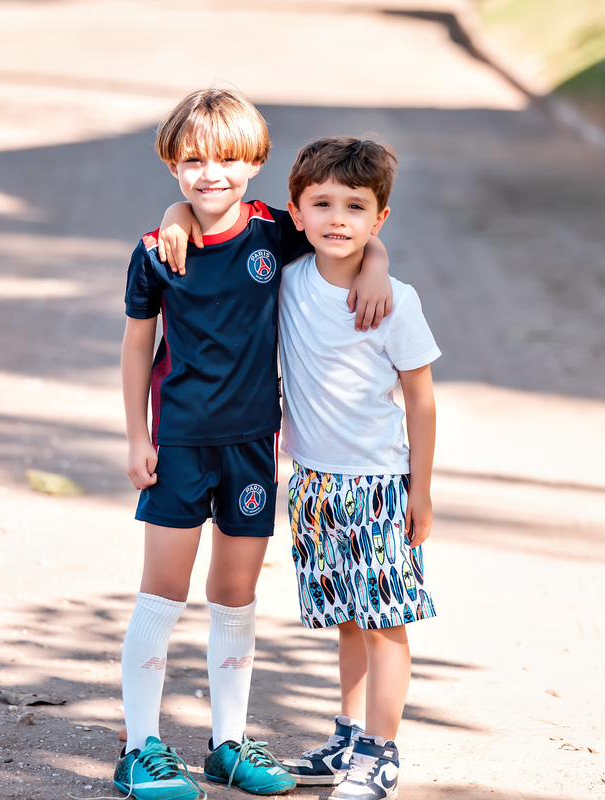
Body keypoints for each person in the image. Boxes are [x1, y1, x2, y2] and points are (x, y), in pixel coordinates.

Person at [116, 88, 392, 800]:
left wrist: (378, 262)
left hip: (251, 446)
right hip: (178, 444)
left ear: (256, 163)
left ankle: (228, 745)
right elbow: (137, 348)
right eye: (193, 161)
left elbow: (345, 232)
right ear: (172, 165)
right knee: (163, 592)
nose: (211, 174)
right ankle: (139, 748)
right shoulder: (154, 252)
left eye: (227, 160)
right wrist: (137, 436)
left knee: (236, 594)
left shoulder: (274, 231)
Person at [276, 137, 439, 800]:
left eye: (355, 206)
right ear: (296, 212)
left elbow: (421, 400)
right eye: (322, 203)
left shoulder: (396, 300)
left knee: (384, 622)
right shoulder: (286, 280)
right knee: (346, 616)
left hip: (377, 485)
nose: (337, 218)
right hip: (312, 482)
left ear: (380, 218)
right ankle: (348, 735)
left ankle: (381, 752)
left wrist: (420, 491)